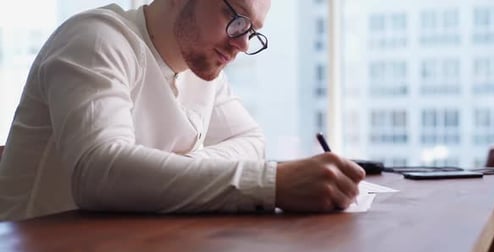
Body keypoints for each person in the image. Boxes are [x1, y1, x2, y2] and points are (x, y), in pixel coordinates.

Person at [0, 0, 365, 221]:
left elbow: (252, 140)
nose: (241, 43)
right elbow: (99, 172)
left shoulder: (200, 71)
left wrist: (165, 171)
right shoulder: (96, 40)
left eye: (252, 30)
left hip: (121, 250)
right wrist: (271, 184)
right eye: (235, 15)